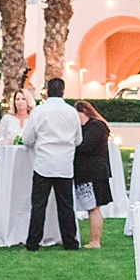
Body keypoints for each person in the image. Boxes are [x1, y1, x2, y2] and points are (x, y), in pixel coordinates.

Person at [22, 77, 82, 252]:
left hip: (44, 163)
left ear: (47, 91)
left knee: (39, 205)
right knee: (66, 206)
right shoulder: (71, 112)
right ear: (63, 91)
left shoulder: (40, 111)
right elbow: (78, 139)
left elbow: (28, 138)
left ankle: (33, 243)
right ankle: (70, 242)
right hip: (64, 164)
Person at [73, 100, 115, 249]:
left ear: (84, 111)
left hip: (94, 172)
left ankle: (95, 241)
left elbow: (86, 146)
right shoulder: (92, 126)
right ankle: (93, 239)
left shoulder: (96, 126)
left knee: (93, 207)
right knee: (92, 207)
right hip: (91, 172)